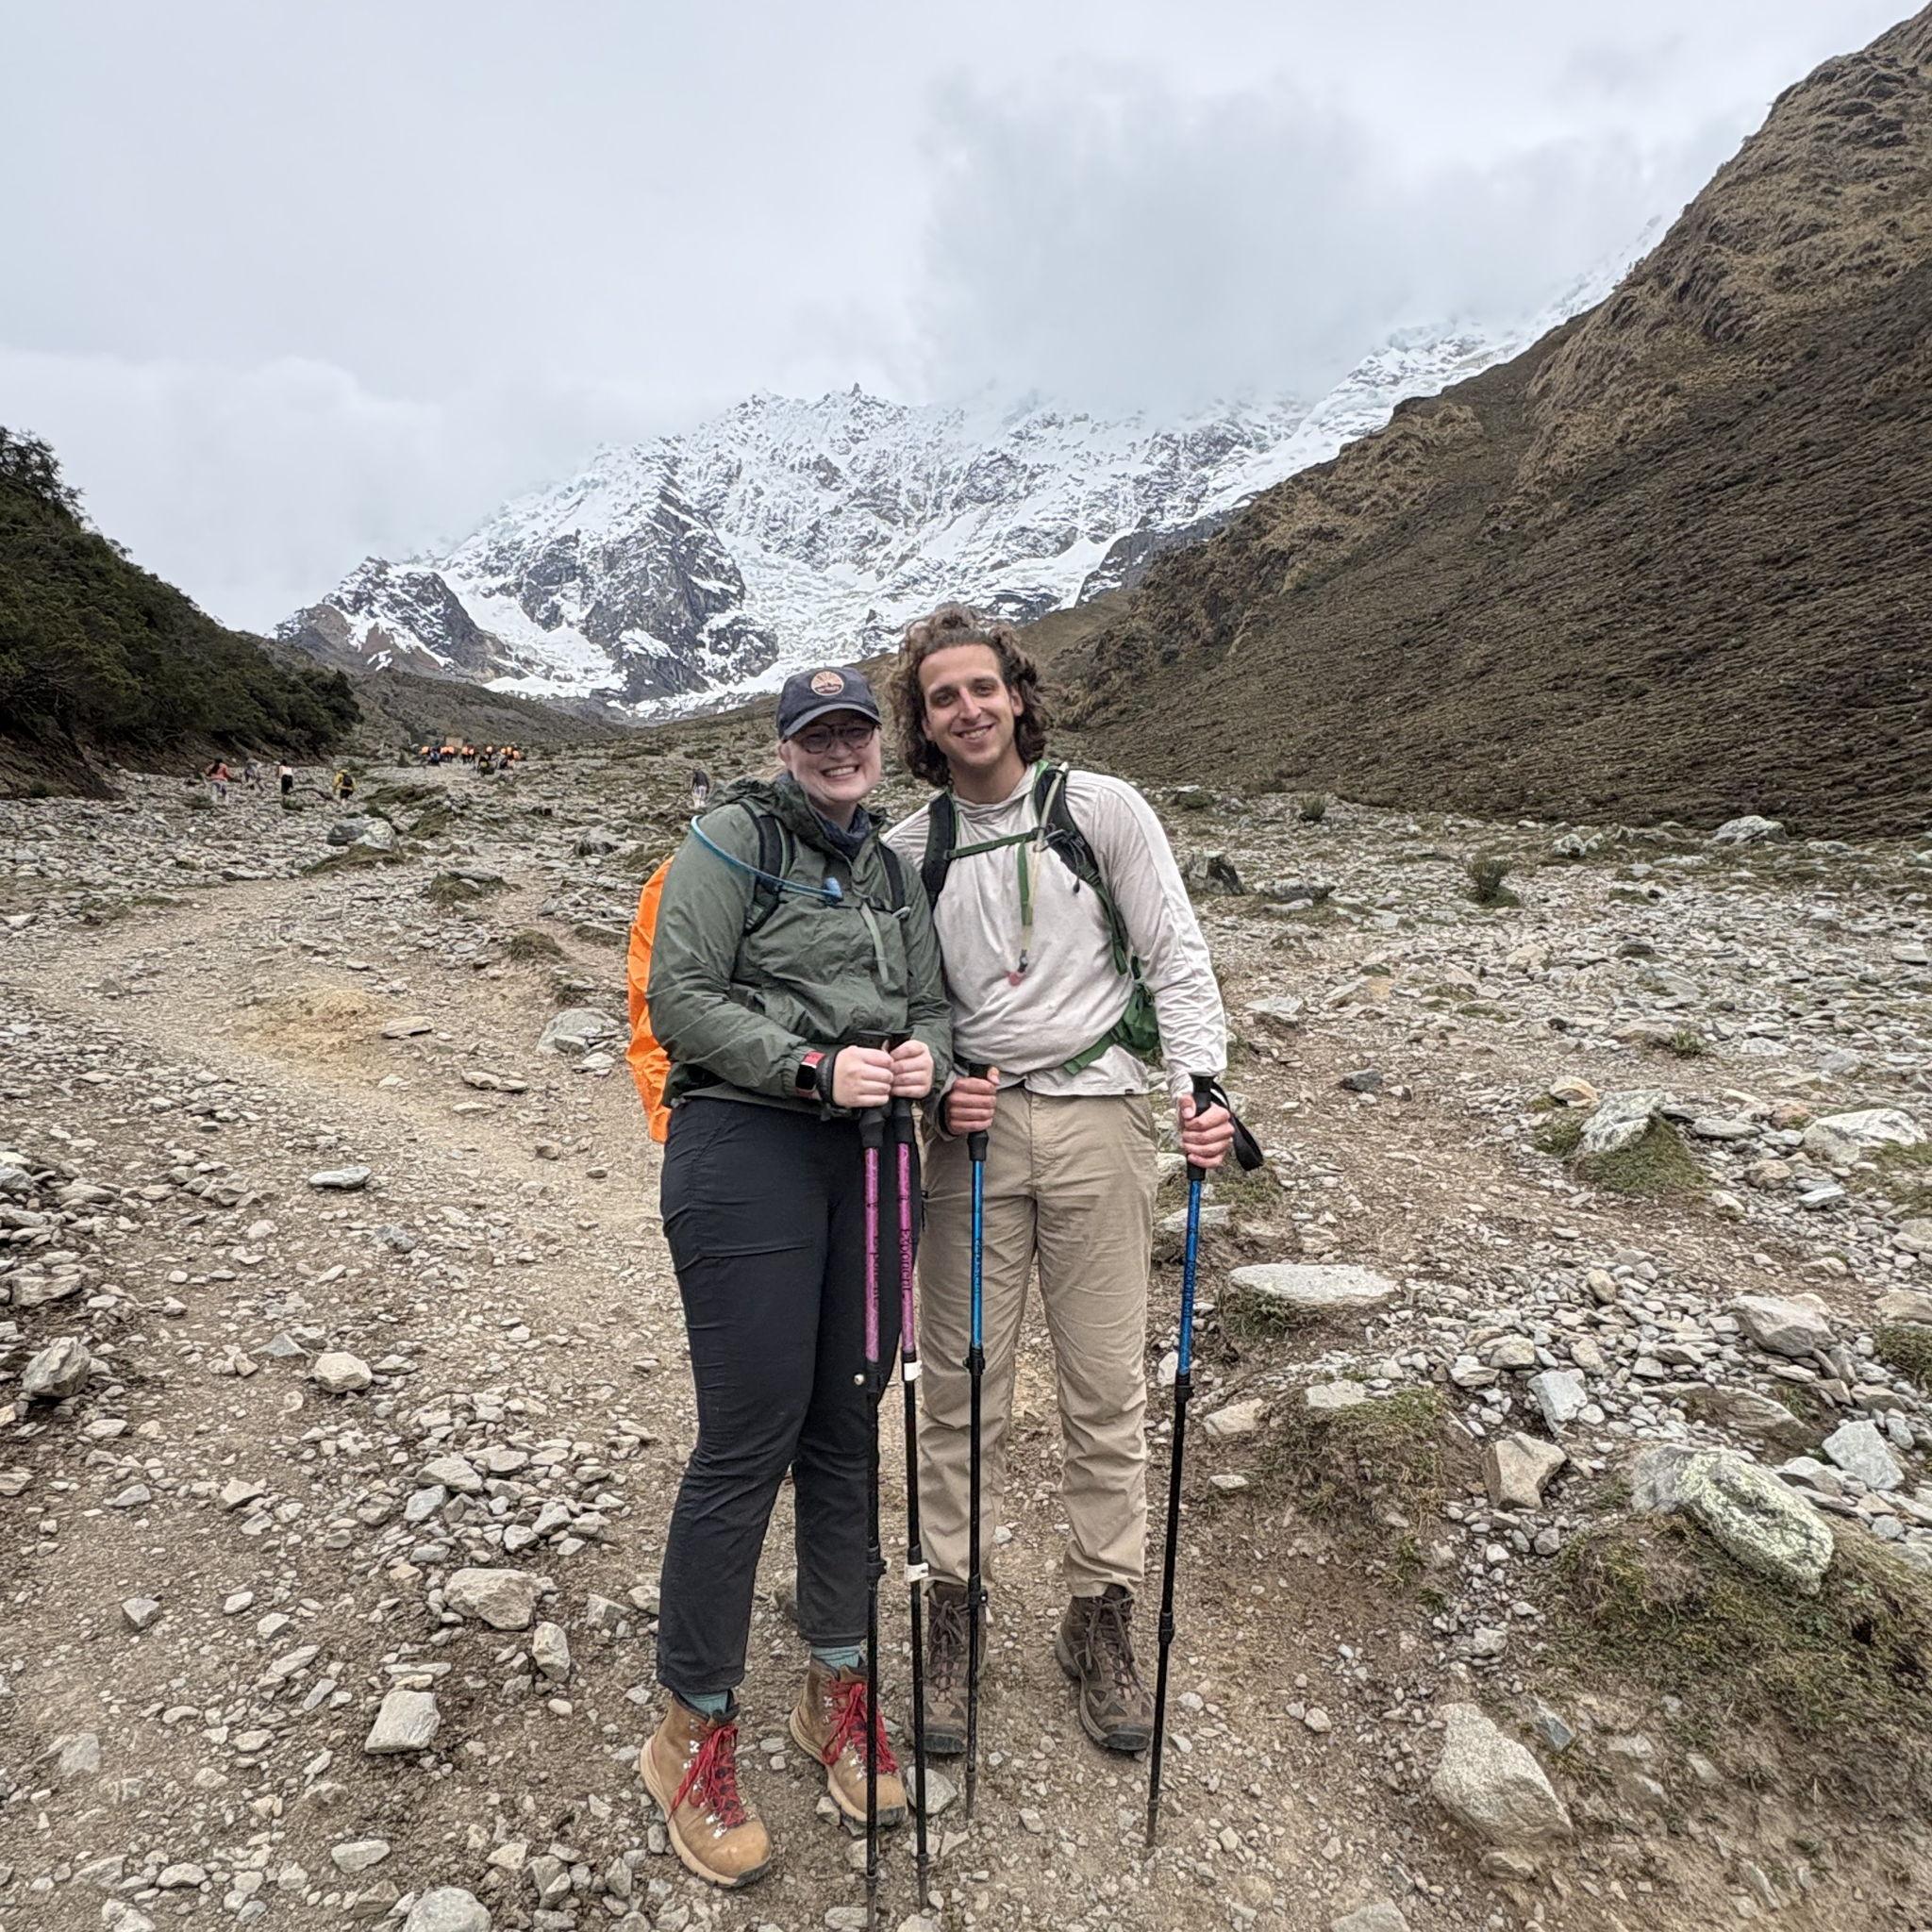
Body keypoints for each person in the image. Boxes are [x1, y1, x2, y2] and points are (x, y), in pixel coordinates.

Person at [882, 604, 1237, 1758]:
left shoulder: (1101, 809)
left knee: (1102, 1386)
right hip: (968, 1140)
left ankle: (1101, 1611)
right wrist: (935, 1090)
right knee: (959, 1388)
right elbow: (898, 1011)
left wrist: (1203, 1085)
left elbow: (1173, 949)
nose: (968, 710)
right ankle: (954, 1605)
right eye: (942, 697)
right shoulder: (904, 849)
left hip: (1099, 1117)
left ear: (1018, 695)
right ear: (923, 722)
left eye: (982, 688)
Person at [641, 664, 953, 1890]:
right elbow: (681, 998)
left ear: (877, 746)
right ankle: (690, 1732)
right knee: (751, 1434)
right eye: (817, 735)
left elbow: (930, 998)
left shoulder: (890, 868)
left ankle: (835, 1690)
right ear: (785, 746)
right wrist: (813, 1067)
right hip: (748, 1144)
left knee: (845, 1429)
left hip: (875, 1160)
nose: (839, 752)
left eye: (855, 733)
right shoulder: (732, 837)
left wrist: (932, 1054)